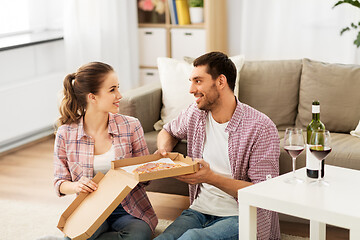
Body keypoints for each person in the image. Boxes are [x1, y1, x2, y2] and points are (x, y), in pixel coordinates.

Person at [154, 52, 281, 240]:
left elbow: (262, 192)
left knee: (192, 238)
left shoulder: (260, 127)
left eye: (198, 81)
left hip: (240, 215)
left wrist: (210, 177)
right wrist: (164, 151)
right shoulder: (195, 114)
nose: (191, 89)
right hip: (199, 210)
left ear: (221, 82)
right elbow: (168, 131)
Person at [53, 62, 157, 240]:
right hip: (91, 208)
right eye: (112, 90)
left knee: (139, 235)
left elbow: (144, 181)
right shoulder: (65, 133)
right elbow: (59, 182)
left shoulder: (131, 126)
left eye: (118, 88)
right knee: (73, 237)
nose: (119, 95)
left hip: (129, 208)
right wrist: (77, 186)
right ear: (92, 97)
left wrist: (151, 166)